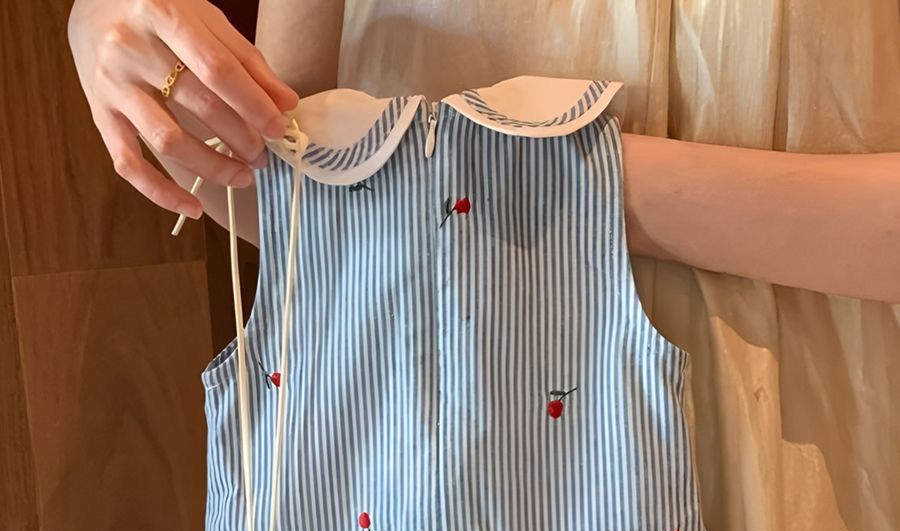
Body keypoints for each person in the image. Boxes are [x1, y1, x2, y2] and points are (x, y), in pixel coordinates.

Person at [67, 0, 899, 303]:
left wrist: (523, 178)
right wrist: (120, 41)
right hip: (430, 465)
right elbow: (294, 203)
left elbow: (363, 192)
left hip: (798, 465)